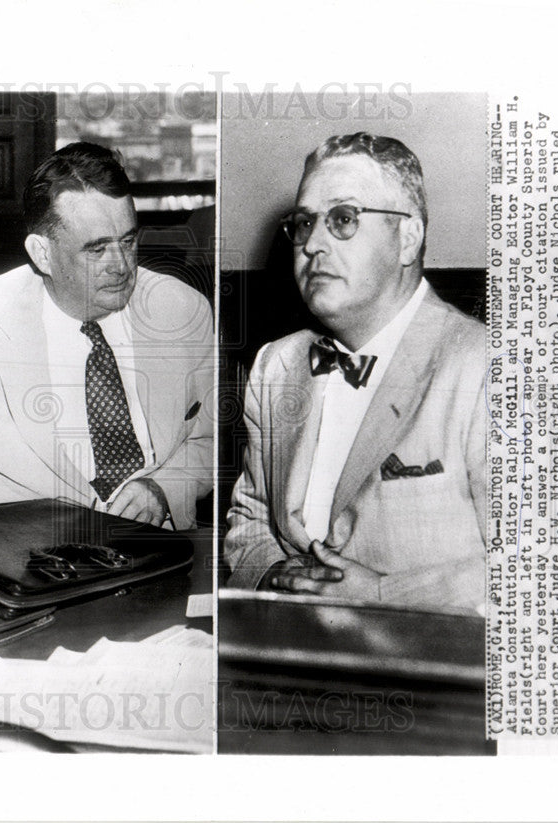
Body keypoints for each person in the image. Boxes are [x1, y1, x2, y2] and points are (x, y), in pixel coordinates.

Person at [224, 132, 487, 611]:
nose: (313, 245)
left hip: (435, 672)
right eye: (304, 223)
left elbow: (545, 569)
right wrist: (270, 576)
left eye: (343, 219)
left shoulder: (487, 367)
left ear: (408, 238)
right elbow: (251, 515)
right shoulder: (275, 365)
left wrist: (382, 595)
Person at [0, 143, 213, 529]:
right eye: (96, 249)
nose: (121, 266)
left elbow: (212, 441)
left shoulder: (180, 307)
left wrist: (163, 490)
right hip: (33, 550)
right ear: (41, 253)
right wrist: (55, 512)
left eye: (128, 241)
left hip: (162, 546)